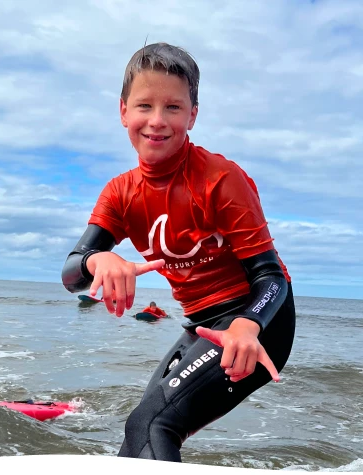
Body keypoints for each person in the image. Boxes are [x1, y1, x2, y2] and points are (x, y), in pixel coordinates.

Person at [61, 43, 295, 462]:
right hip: (200, 325)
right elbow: (71, 274)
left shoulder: (220, 179)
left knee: (152, 424)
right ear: (122, 112)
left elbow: (270, 276)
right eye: (144, 106)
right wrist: (99, 259)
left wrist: (248, 324)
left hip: (258, 323)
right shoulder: (120, 193)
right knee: (137, 435)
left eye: (172, 107)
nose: (156, 121)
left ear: (193, 114)